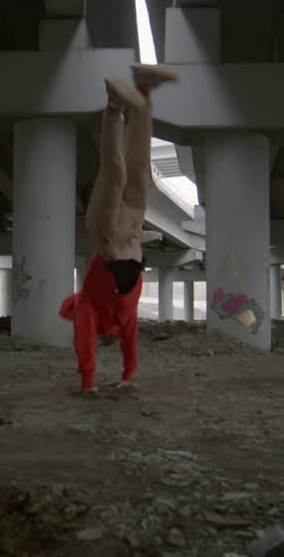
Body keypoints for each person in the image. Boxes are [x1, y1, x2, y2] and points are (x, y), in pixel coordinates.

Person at [58, 63, 179, 395]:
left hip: (108, 233)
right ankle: (144, 91)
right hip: (133, 230)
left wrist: (88, 384)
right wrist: (127, 376)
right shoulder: (124, 318)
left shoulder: (86, 309)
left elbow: (85, 342)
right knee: (139, 169)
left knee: (116, 175)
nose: (103, 336)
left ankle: (113, 104)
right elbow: (131, 340)